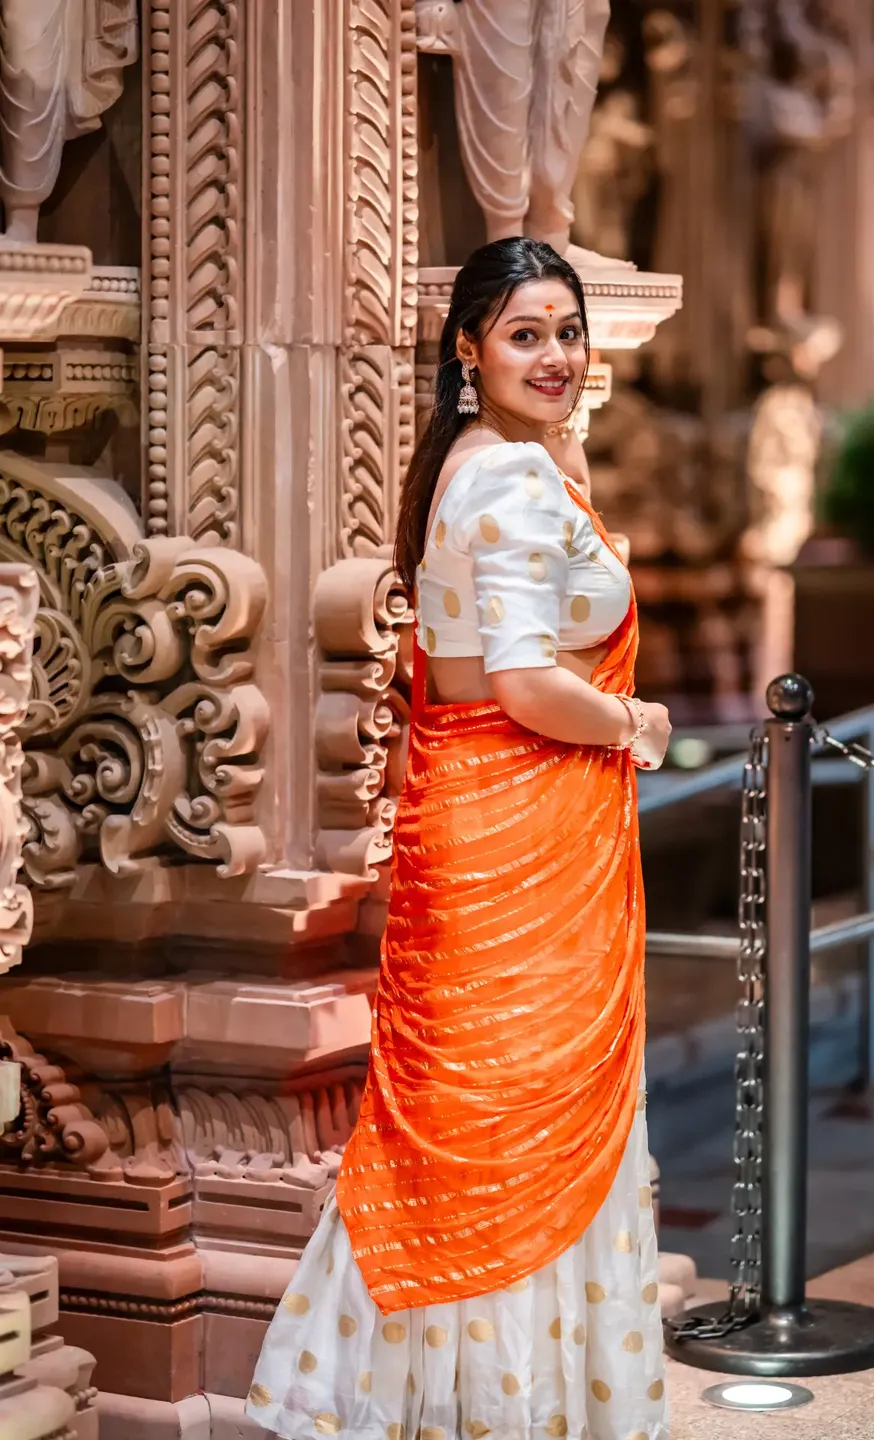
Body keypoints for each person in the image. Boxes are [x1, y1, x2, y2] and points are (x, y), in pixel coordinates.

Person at [244, 237, 672, 1440]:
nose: (556, 355)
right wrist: (637, 723)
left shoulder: (474, 465)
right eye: (526, 334)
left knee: (479, 1116)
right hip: (521, 830)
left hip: (490, 818)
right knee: (515, 1117)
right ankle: (506, 1414)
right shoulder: (510, 478)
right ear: (468, 348)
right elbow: (527, 685)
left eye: (568, 332)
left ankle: (462, 1407)